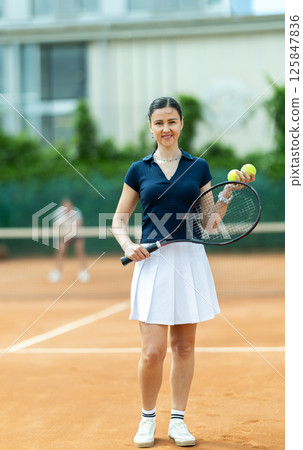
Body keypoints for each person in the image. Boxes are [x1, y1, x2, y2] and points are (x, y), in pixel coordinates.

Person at [112, 96, 255, 448]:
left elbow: (209, 222)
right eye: (159, 123)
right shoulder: (138, 169)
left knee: (184, 348)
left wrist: (228, 195)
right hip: (152, 264)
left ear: (181, 124)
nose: (166, 129)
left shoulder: (199, 166)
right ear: (150, 127)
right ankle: (148, 419)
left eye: (172, 122)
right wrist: (128, 245)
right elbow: (119, 220)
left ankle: (178, 420)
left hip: (190, 260)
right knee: (153, 351)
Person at [48, 198, 90, 283]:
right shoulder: (58, 213)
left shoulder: (77, 212)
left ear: (71, 206)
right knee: (60, 251)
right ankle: (57, 272)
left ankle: (83, 272)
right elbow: (55, 226)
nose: (67, 208)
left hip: (76, 234)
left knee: (80, 250)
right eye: (65, 206)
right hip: (64, 235)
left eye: (69, 206)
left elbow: (79, 225)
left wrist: (72, 232)